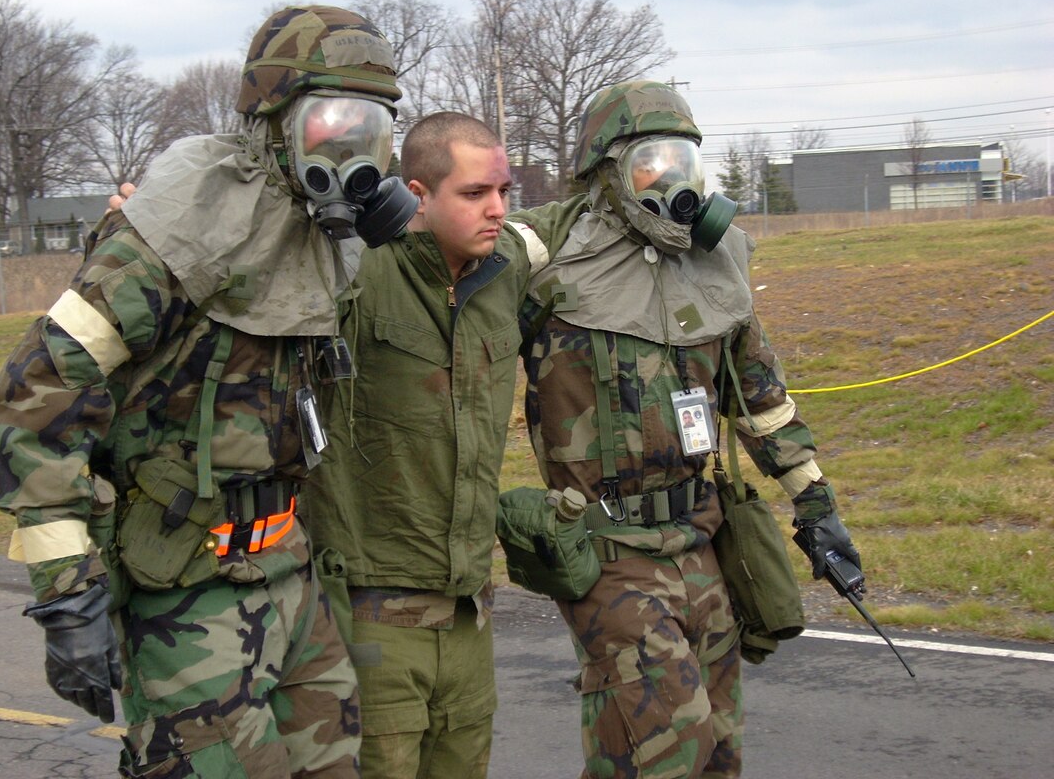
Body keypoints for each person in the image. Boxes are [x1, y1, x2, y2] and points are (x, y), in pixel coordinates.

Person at [0, 5, 417, 778]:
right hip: (185, 584)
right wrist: (65, 592)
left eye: (370, 128)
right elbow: (33, 398)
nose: (351, 151)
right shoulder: (176, 233)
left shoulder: (320, 236)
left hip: (289, 572)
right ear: (275, 122)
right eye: (330, 125)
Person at [507, 80, 863, 778]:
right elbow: (450, 280)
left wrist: (818, 507)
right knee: (660, 754)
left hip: (700, 544)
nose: (671, 181)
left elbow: (762, 403)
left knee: (718, 751)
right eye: (651, 164)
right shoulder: (549, 255)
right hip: (608, 548)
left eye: (683, 162)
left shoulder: (713, 265)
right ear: (608, 174)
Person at [301, 111, 555, 778]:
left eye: (502, 191)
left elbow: (581, 220)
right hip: (373, 618)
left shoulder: (502, 273)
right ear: (416, 194)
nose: (496, 208)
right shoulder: (357, 277)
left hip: (470, 615)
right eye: (475, 194)